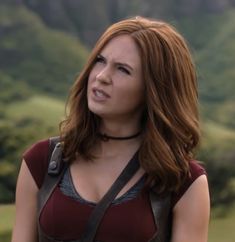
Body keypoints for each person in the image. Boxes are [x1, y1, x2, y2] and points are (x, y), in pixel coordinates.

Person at [12, 16, 210, 242]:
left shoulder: (184, 183)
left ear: (154, 89)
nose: (101, 76)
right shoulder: (41, 162)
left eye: (123, 70)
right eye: (100, 60)